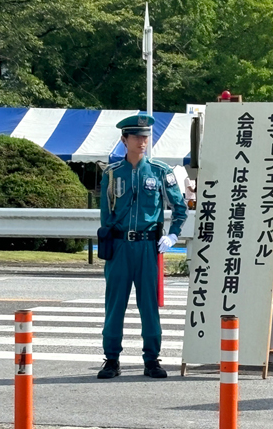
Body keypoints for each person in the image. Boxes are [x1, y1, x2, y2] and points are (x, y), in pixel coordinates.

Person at [97, 114, 188, 379]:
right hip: (119, 246)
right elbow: (106, 213)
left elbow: (180, 208)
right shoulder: (112, 174)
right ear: (124, 139)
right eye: (136, 136)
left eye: (145, 136)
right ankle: (111, 359)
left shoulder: (160, 172)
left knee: (149, 305)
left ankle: (152, 360)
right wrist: (109, 241)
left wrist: (172, 235)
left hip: (149, 247)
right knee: (115, 305)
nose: (142, 141)